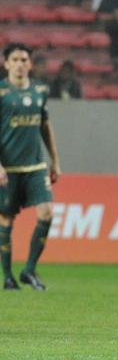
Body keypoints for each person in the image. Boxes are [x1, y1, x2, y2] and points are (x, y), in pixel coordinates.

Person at [0, 43, 61, 291]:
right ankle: (7, 276)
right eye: (15, 59)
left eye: (24, 59)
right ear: (6, 64)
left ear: (30, 63)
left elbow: (45, 126)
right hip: (9, 169)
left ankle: (29, 270)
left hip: (36, 166)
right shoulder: (1, 93)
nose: (20, 64)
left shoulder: (39, 90)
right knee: (6, 220)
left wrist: (55, 160)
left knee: (47, 212)